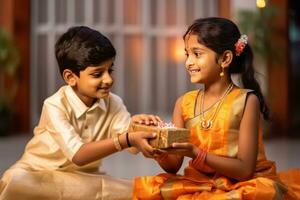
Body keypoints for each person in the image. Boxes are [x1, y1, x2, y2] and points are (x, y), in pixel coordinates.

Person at [133, 17, 300, 199]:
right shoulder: (184, 103)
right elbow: (174, 165)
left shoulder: (246, 101)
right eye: (187, 54)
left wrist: (196, 153)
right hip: (200, 182)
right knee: (150, 190)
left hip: (244, 184)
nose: (188, 62)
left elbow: (244, 170)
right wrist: (158, 148)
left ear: (225, 58)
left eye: (197, 54)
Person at [0, 26, 161, 200]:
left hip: (85, 179)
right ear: (70, 77)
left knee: (94, 186)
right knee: (14, 180)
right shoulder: (54, 105)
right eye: (98, 74)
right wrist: (127, 139)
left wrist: (138, 127)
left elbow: (127, 137)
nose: (108, 79)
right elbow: (78, 155)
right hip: (40, 176)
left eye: (110, 70)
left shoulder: (113, 103)